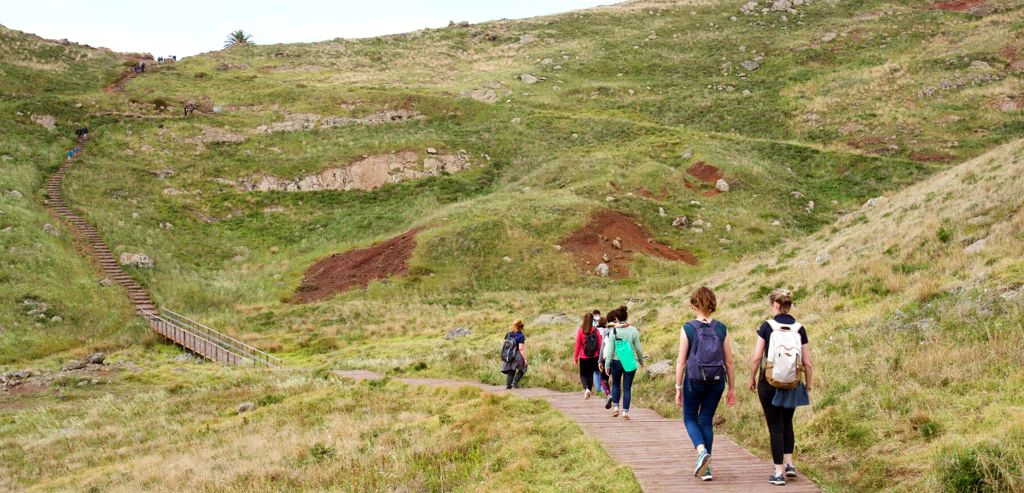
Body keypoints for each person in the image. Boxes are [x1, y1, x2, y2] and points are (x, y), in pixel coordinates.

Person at [749, 289, 814, 486]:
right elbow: (808, 362)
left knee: (775, 426)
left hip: (768, 382)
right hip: (793, 383)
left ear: (776, 305)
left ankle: (778, 473)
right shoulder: (799, 328)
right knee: (787, 423)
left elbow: (756, 357)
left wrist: (752, 378)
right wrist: (808, 385)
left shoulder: (767, 327)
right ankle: (789, 464)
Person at [675, 286, 737, 481]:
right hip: (717, 380)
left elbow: (681, 361)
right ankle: (706, 469)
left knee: (690, 418)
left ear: (694, 306)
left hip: (693, 380)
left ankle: (702, 453)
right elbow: (729, 362)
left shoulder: (688, 328)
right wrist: (732, 388)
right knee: (706, 420)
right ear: (712, 305)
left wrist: (678, 388)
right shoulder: (721, 328)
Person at [603, 306, 644, 420]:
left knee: (615, 384)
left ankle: (615, 408)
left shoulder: (614, 331)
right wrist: (641, 361)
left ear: (616, 318)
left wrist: (607, 364)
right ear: (627, 316)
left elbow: (610, 350)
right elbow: (638, 349)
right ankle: (625, 412)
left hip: (616, 362)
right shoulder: (633, 330)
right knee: (627, 387)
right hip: (629, 362)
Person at [574, 313, 603, 399]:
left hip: (583, 356)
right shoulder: (596, 331)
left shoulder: (581, 331)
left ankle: (586, 388)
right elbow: (600, 345)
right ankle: (589, 389)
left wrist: (575, 358)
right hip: (594, 356)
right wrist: (600, 357)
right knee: (590, 374)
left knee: (583, 374)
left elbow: (577, 346)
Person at [501, 320, 528, 389]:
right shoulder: (520, 336)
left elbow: (505, 345)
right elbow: (521, 348)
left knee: (511, 370)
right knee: (523, 368)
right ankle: (515, 382)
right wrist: (525, 359)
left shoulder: (508, 334)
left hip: (508, 354)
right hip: (517, 354)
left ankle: (508, 386)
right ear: (521, 328)